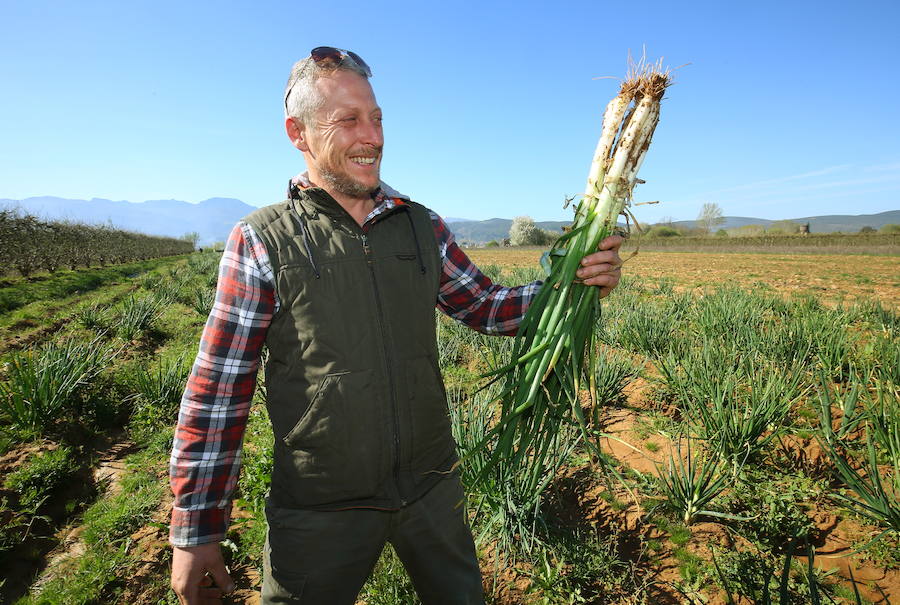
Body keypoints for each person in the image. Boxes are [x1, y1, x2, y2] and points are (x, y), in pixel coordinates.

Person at [169, 47, 624, 605]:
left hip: (431, 489)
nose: (373, 136)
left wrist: (571, 283)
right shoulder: (263, 239)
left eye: (378, 117)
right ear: (299, 133)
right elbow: (219, 392)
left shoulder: (420, 227)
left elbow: (487, 307)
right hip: (320, 504)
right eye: (349, 120)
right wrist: (195, 529)